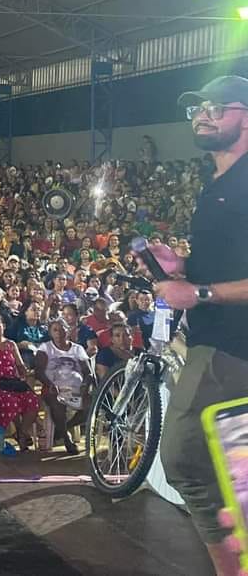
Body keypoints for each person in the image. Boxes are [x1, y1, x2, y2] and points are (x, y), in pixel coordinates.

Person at [152, 75, 248, 576]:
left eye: (217, 107)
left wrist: (200, 294)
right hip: (218, 341)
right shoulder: (216, 187)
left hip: (232, 348)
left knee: (186, 459)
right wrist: (182, 270)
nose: (203, 114)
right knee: (231, 471)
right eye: (197, 107)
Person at [0, 313, 39, 452]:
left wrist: (25, 372)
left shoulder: (10, 344)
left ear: (4, 326)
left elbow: (20, 365)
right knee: (11, 402)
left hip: (12, 382)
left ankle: (22, 433)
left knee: (33, 400)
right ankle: (1, 434)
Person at [35, 319, 92, 454]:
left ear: (68, 330)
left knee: (91, 406)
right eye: (55, 330)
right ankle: (66, 439)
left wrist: (85, 385)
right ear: (50, 332)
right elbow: (38, 371)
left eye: (62, 329)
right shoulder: (45, 348)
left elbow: (89, 373)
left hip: (76, 389)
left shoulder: (78, 349)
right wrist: (50, 384)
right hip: (53, 388)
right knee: (56, 403)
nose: (59, 333)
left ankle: (63, 429)